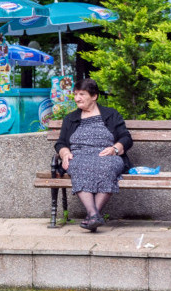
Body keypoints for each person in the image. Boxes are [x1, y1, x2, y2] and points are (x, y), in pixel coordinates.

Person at [54, 78, 132, 232]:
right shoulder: (70, 118)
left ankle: (92, 216)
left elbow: (126, 137)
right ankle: (94, 215)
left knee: (109, 166)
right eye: (75, 94)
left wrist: (115, 149)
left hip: (106, 155)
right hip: (79, 156)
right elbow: (60, 143)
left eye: (82, 94)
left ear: (94, 96)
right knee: (77, 164)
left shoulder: (111, 114)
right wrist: (65, 153)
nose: (77, 98)